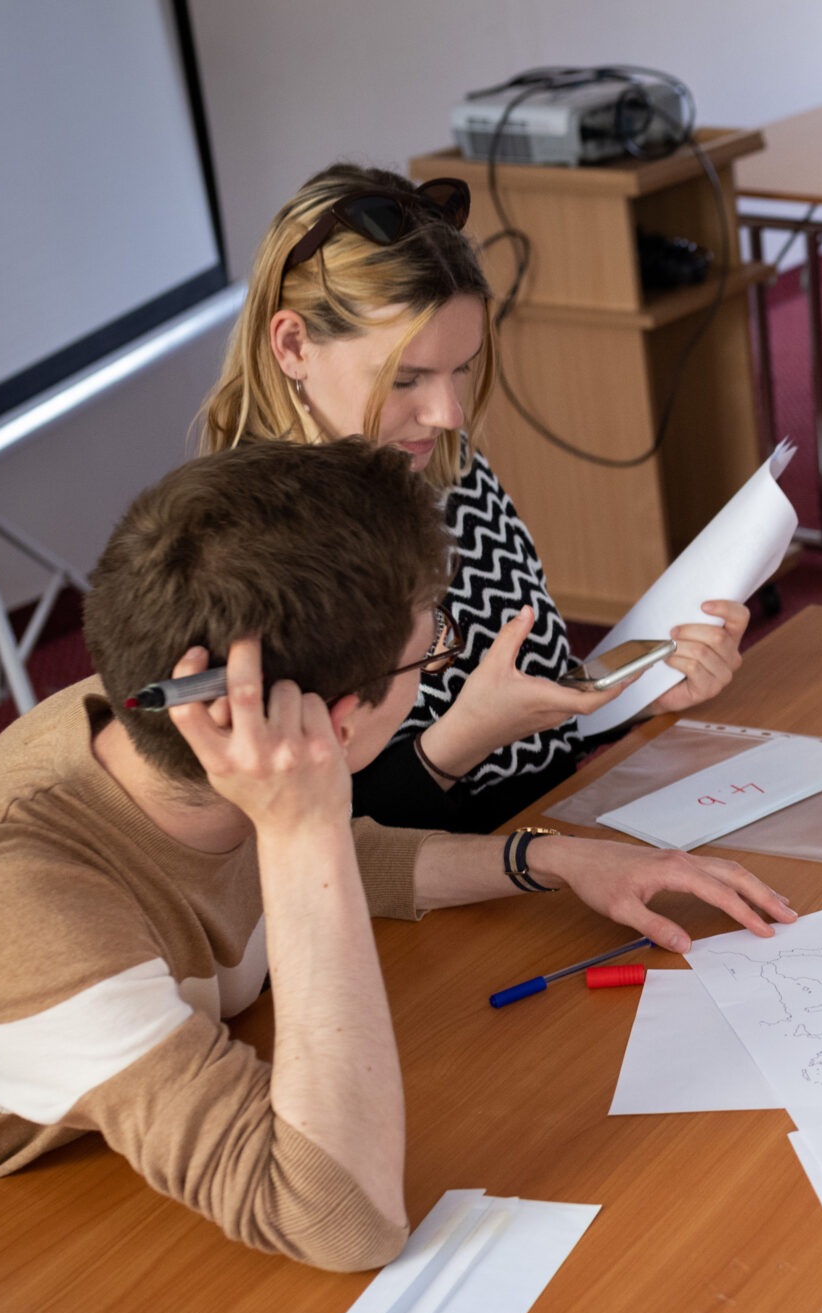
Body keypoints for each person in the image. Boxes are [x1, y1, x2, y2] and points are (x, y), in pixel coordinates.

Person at [0, 440, 796, 1286]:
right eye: (431, 657)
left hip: (99, 1192)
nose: (439, 666)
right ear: (328, 728)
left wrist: (550, 860)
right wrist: (302, 831)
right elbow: (338, 1217)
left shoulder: (170, 720)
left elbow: (350, 861)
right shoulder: (11, 915)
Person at [198, 163, 748, 835]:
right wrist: (464, 739)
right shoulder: (246, 552)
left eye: (461, 368)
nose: (450, 412)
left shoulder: (441, 466)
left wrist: (635, 691)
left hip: (546, 833)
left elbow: (533, 706)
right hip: (420, 900)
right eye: (407, 378)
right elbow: (308, 843)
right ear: (293, 346)